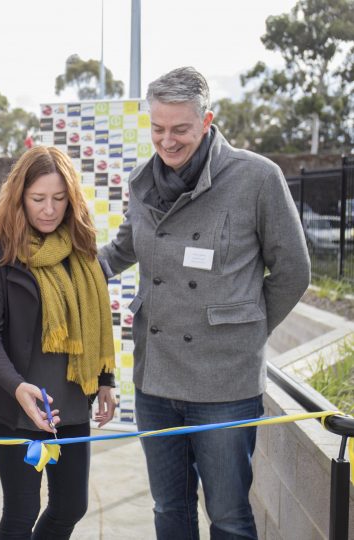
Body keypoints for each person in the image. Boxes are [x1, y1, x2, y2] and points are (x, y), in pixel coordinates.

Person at [98, 67, 310, 539]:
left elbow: (294, 271)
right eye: (157, 129)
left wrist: (245, 330)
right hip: (156, 379)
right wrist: (57, 274)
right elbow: (120, 251)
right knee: (168, 508)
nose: (167, 141)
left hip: (224, 384)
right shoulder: (141, 181)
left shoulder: (256, 177)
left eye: (180, 130)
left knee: (229, 515)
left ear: (207, 120)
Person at [0, 145, 117, 538]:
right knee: (22, 511)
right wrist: (18, 387)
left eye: (59, 199)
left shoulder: (82, 244)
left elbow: (96, 318)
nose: (49, 209)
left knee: (72, 505)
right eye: (38, 199)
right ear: (19, 195)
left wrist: (106, 379)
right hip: (16, 402)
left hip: (71, 400)